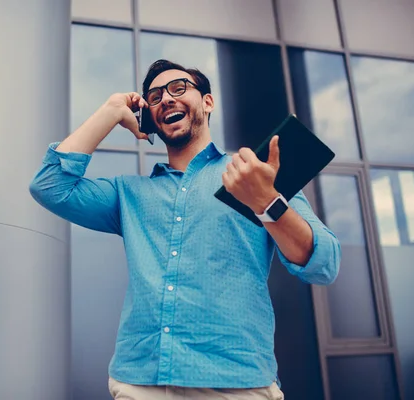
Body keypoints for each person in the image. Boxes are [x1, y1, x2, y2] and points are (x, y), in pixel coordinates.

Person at [29, 59, 341, 400]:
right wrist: (112, 109)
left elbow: (324, 263)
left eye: (179, 88)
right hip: (139, 385)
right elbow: (49, 185)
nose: (166, 98)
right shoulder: (128, 195)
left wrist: (267, 202)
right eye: (155, 96)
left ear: (207, 102)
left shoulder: (252, 173)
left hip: (235, 386)